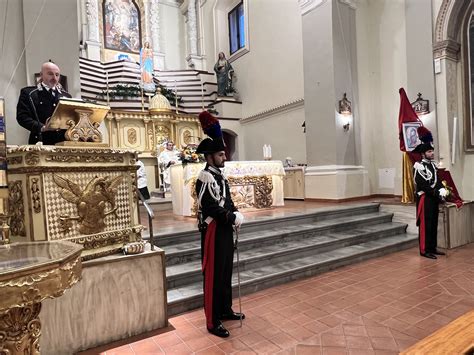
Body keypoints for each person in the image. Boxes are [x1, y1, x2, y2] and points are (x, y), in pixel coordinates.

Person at [195, 111, 245, 338]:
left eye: (224, 154)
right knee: (214, 276)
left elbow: (227, 201)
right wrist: (229, 217)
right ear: (209, 157)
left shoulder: (220, 177)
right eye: (220, 154)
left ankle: (225, 310)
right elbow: (209, 207)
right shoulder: (204, 177)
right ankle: (212, 321)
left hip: (224, 230)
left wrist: (236, 212)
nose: (225, 157)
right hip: (213, 231)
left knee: (225, 272)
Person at [16, 61, 71, 145]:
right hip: (40, 141)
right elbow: (22, 117)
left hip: (62, 142)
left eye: (57, 75)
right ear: (41, 75)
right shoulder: (30, 93)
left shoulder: (66, 96)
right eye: (50, 74)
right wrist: (42, 127)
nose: (54, 78)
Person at [413, 142, 448, 259]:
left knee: (433, 223)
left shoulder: (433, 165)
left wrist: (442, 189)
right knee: (426, 225)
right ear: (423, 154)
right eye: (429, 151)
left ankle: (432, 247)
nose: (432, 153)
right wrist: (435, 192)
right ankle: (424, 250)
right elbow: (422, 184)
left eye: (432, 151)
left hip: (433, 198)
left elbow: (437, 181)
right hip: (425, 199)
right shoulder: (419, 166)